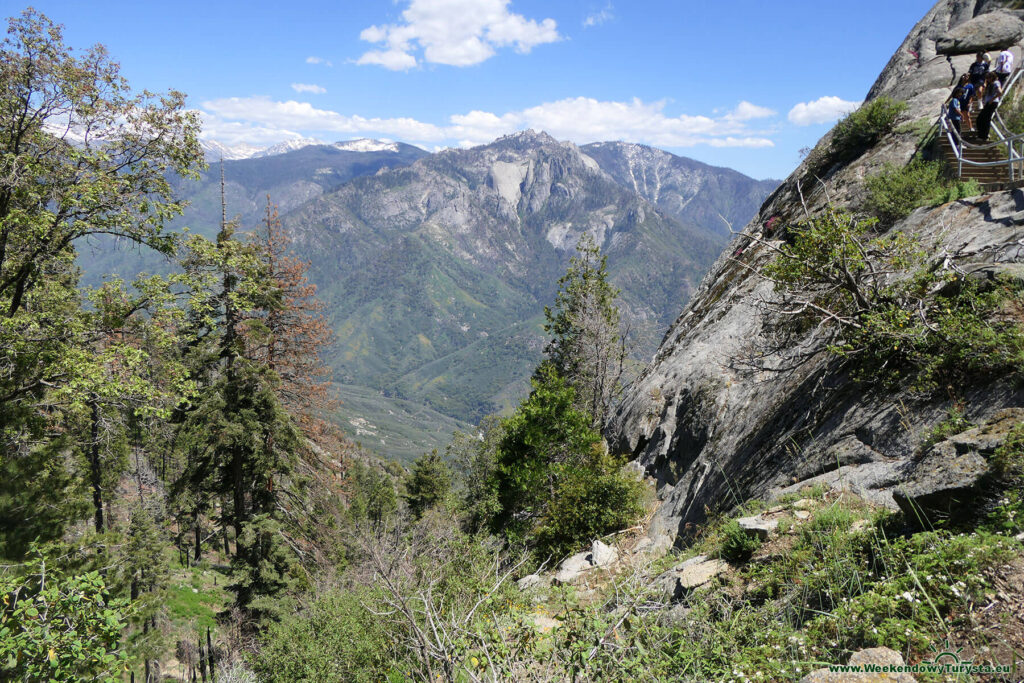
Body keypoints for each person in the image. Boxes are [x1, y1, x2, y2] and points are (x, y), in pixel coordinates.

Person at [977, 72, 1003, 141]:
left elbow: (1000, 92)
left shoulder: (996, 83)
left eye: (988, 78)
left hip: (992, 103)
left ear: (992, 77)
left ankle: (984, 136)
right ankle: (982, 135)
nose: (987, 79)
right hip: (989, 103)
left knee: (984, 119)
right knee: (982, 119)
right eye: (987, 78)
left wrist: (992, 99)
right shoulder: (990, 84)